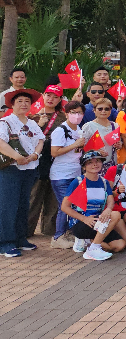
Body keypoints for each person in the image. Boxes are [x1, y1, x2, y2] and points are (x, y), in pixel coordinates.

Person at [60, 150, 126, 261]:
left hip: (99, 222)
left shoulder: (104, 182)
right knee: (116, 215)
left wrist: (108, 209)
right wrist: (84, 218)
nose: (95, 164)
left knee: (120, 245)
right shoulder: (78, 182)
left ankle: (90, 242)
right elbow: (64, 207)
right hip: (81, 223)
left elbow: (110, 201)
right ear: (84, 167)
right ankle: (93, 249)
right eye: (90, 162)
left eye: (98, 161)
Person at [0, 88, 45, 257]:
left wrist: (35, 154)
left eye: (27, 101)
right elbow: (1, 143)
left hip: (29, 169)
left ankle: (20, 238)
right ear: (12, 104)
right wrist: (17, 157)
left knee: (23, 205)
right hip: (11, 169)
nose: (24, 104)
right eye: (19, 101)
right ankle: (5, 242)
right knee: (7, 206)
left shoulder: (32, 122)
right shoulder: (6, 122)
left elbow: (40, 139)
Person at [28, 84, 66, 239]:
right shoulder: (32, 116)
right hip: (38, 162)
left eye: (55, 97)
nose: (51, 99)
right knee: (34, 196)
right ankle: (27, 230)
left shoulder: (64, 117)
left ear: (60, 100)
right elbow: (25, 140)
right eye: (48, 95)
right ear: (43, 95)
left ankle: (49, 229)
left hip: (57, 160)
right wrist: (38, 126)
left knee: (52, 198)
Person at [47, 100, 85, 249]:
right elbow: (54, 152)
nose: (77, 115)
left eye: (80, 113)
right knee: (65, 204)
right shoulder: (60, 131)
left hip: (74, 173)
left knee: (73, 204)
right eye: (73, 112)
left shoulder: (79, 130)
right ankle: (58, 237)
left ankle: (67, 233)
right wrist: (75, 145)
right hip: (60, 175)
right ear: (66, 113)